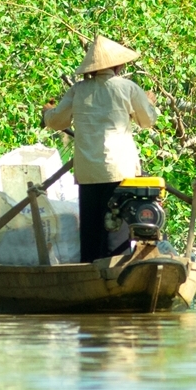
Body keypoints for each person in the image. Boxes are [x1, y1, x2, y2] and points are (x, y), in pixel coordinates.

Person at [42, 36, 160, 262]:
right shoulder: (127, 88)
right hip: (120, 170)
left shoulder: (79, 90)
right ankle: (116, 273)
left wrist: (48, 112)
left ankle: (89, 271)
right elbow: (147, 121)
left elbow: (57, 121)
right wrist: (149, 103)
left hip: (89, 171)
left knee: (91, 229)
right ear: (118, 66)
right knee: (116, 227)